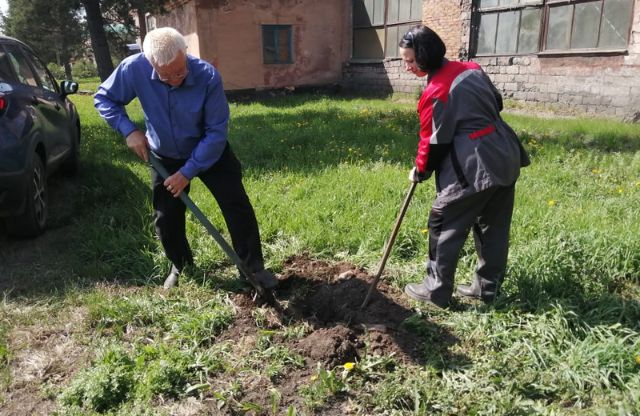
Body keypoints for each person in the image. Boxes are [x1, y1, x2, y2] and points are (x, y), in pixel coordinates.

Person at [94, 27, 278, 290]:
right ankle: (181, 265)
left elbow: (216, 133)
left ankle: (253, 269)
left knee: (236, 205)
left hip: (208, 151)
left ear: (185, 53)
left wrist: (187, 172)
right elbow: (104, 98)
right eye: (165, 75)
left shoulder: (207, 77)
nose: (174, 80)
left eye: (180, 71)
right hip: (164, 155)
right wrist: (129, 130)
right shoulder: (132, 68)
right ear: (149, 62)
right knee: (166, 217)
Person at [399, 25, 530, 308]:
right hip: (505, 153)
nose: (406, 66)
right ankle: (486, 289)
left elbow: (432, 142)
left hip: (476, 164)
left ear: (425, 55)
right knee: (493, 227)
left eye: (410, 60)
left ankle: (435, 290)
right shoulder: (472, 68)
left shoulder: (436, 92)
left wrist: (420, 170)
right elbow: (498, 102)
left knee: (443, 219)